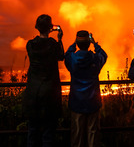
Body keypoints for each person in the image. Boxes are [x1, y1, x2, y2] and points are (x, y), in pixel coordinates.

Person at [23, 14, 64, 147]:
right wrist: (59, 39)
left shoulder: (30, 45)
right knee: (48, 133)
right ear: (50, 28)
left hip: (33, 94)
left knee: (32, 132)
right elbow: (61, 56)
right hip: (50, 94)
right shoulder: (53, 45)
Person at [64, 30, 108, 147]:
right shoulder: (95, 59)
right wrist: (95, 44)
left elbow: (67, 54)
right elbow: (104, 55)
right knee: (93, 134)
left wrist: (74, 43)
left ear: (77, 43)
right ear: (89, 43)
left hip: (76, 102)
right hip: (93, 101)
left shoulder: (72, 59)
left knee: (77, 135)